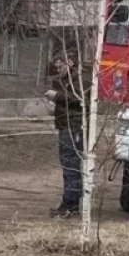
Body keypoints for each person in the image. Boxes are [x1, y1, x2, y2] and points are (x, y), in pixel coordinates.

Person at [45, 55, 89, 218]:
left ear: (69, 62)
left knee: (71, 166)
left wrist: (56, 97)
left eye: (60, 66)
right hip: (68, 126)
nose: (58, 70)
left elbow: (79, 99)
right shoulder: (70, 79)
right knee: (68, 165)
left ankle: (70, 204)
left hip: (74, 127)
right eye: (56, 67)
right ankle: (70, 202)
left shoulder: (80, 79)